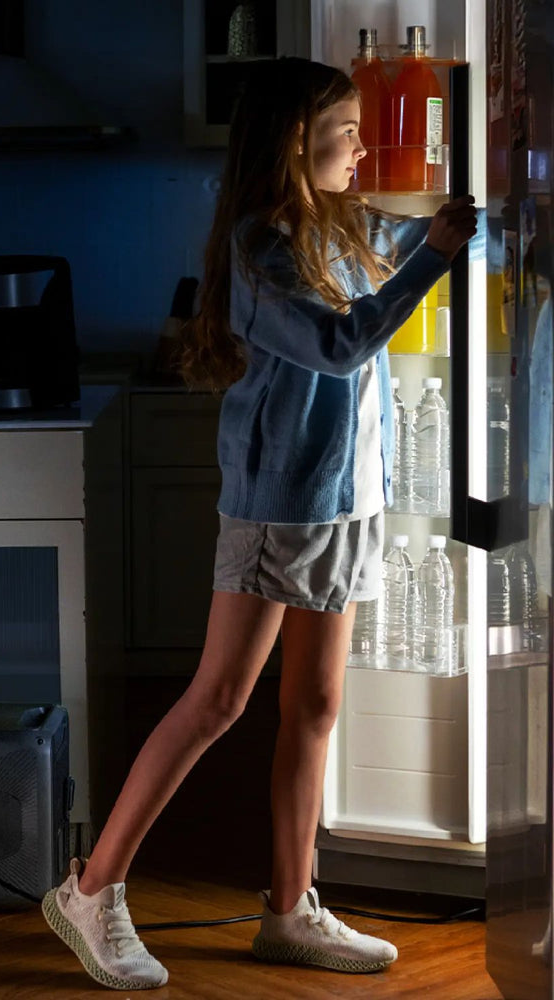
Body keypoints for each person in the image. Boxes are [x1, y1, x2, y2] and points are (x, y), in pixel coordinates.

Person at [42, 56, 477, 990]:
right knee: (219, 701)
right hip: (279, 503)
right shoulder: (262, 246)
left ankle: (290, 909)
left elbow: (415, 239)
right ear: (294, 138)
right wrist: (437, 255)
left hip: (352, 500)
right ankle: (92, 887)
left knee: (315, 706)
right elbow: (339, 343)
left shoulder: (341, 225)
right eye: (348, 129)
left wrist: (498, 216)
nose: (364, 145)